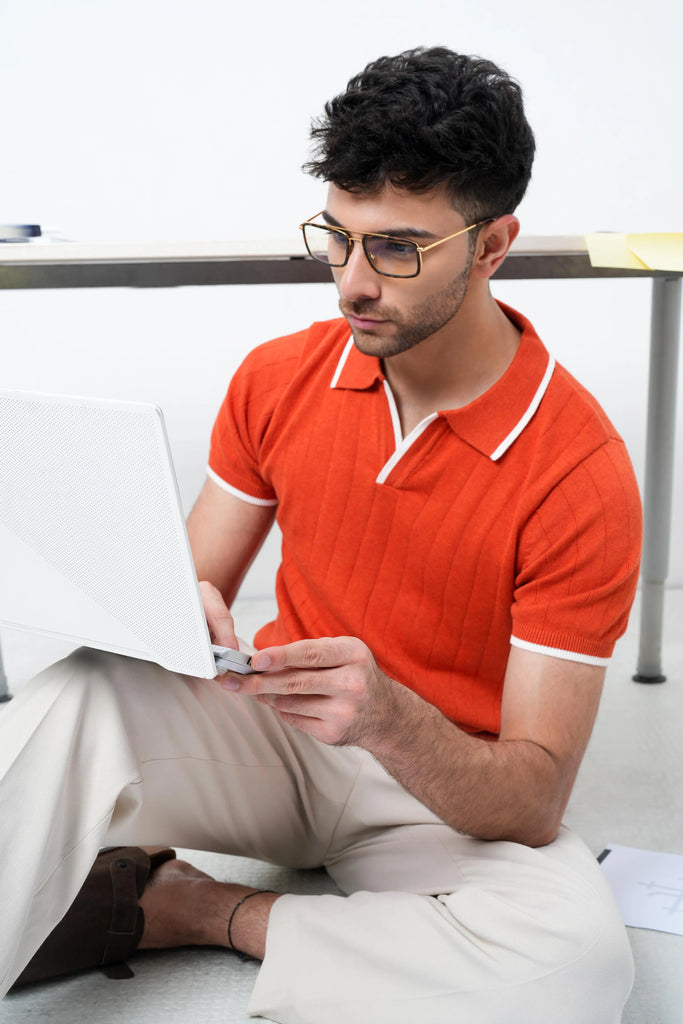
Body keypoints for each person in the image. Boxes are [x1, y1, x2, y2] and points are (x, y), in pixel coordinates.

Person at [1, 46, 642, 1023]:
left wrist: (390, 716)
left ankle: (191, 909)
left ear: (492, 243)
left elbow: (527, 802)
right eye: (336, 239)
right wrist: (178, 611)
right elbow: (189, 584)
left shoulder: (577, 471)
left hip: (434, 797)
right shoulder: (279, 376)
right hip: (275, 741)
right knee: (79, 693)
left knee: (576, 965)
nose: (349, 283)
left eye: (394, 248)